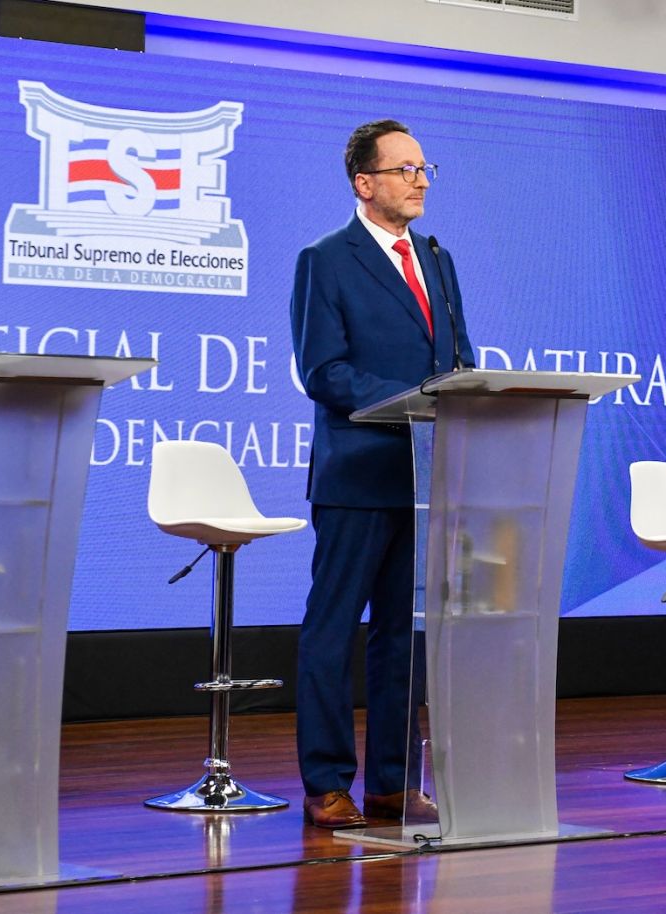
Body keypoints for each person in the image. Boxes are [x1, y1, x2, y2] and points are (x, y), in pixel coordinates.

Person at [289, 119, 473, 829]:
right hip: (358, 472)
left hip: (423, 480)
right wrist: (413, 401)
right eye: (404, 169)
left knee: (404, 636)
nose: (420, 180)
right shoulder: (325, 259)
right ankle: (327, 782)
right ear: (364, 183)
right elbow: (323, 370)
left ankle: (393, 784)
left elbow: (458, 357)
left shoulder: (437, 258)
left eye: (424, 168)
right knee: (333, 631)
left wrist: (464, 394)